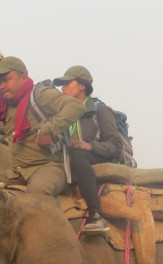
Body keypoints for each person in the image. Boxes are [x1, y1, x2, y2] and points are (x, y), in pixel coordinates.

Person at [0, 57, 85, 198]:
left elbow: (76, 106)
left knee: (35, 197)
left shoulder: (40, 94)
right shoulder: (3, 105)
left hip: (48, 167)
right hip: (17, 171)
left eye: (6, 80)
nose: (2, 86)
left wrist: (48, 129)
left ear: (24, 77)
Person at [53, 65, 121, 233]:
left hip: (98, 155)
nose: (63, 87)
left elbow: (116, 146)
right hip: (73, 158)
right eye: (62, 84)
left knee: (78, 155)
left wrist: (89, 146)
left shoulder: (99, 110)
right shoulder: (64, 114)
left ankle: (96, 215)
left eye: (68, 83)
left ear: (82, 86)